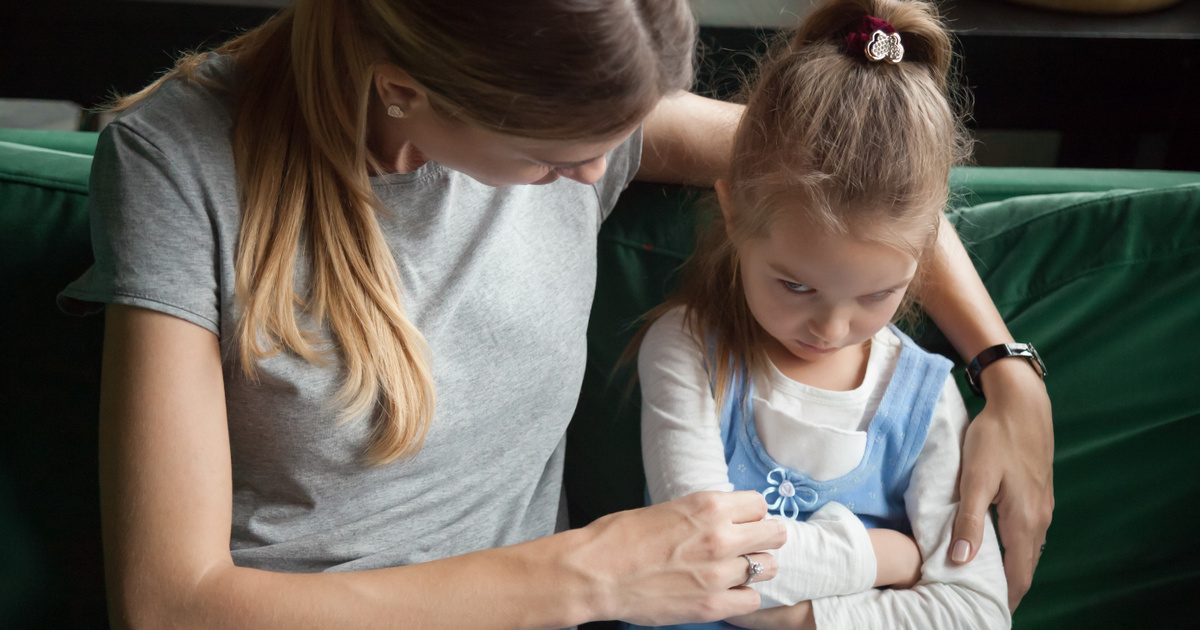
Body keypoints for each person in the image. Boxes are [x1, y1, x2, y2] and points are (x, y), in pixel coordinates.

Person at [57, 0, 1048, 627]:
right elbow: (168, 604)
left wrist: (1004, 366)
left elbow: (864, 177)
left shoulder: (579, 99)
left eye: (619, 142)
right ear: (405, 90)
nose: (591, 176)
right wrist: (584, 580)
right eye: (556, 162)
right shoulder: (177, 165)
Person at [633, 0, 1016, 627]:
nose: (832, 330)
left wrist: (795, 620)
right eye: (795, 285)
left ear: (925, 253)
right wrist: (883, 555)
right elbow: (703, 557)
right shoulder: (688, 349)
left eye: (875, 296)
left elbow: (977, 611)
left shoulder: (927, 396)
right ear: (733, 214)